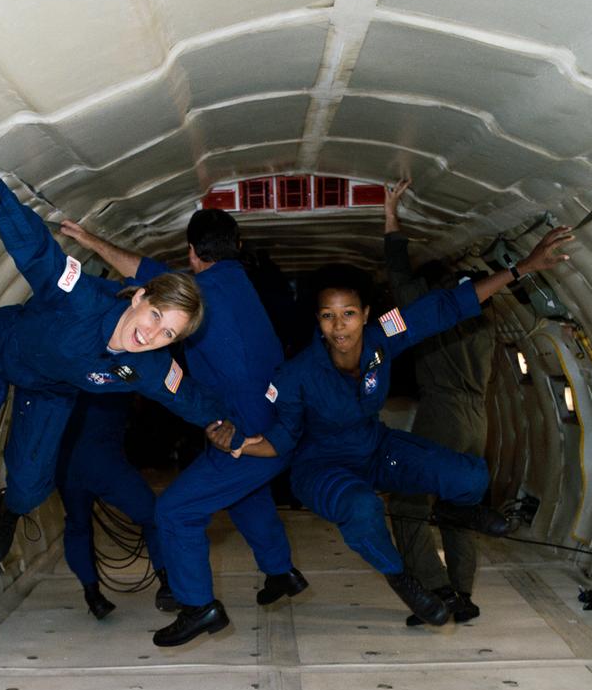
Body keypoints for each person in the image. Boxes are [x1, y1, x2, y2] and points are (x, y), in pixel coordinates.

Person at [0, 132, 239, 570]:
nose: (153, 335)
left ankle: (11, 511)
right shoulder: (79, 297)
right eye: (156, 316)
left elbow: (188, 397)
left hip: (50, 389)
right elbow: (38, 251)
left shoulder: (150, 368)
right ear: (140, 298)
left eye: (169, 335)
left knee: (30, 482)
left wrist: (225, 423)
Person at [233, 219, 574, 625]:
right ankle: (404, 581)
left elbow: (443, 309)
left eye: (347, 314)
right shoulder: (297, 375)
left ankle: (455, 512)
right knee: (362, 508)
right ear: (318, 322)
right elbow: (282, 440)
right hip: (321, 467)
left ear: (365, 315)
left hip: (376, 449)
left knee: (468, 476)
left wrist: (523, 268)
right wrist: (240, 443)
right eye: (327, 316)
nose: (338, 325)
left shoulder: (382, 337)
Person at [61, 207, 307, 648]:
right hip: (278, 420)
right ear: (239, 248)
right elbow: (148, 271)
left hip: (244, 431)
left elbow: (142, 271)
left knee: (176, 511)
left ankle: (198, 605)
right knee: (246, 495)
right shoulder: (239, 282)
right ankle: (281, 572)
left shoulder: (192, 292)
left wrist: (91, 240)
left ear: (192, 254)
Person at [384, 180, 498, 625]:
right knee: (459, 506)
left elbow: (399, 274)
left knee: (407, 503)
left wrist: (391, 215)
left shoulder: (438, 318)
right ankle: (464, 595)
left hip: (443, 416)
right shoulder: (486, 326)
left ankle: (436, 589)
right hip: (478, 419)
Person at [55, 393, 173, 620]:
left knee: (78, 526)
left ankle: (93, 596)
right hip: (104, 461)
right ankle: (167, 582)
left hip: (66, 464)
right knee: (153, 515)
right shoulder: (116, 366)